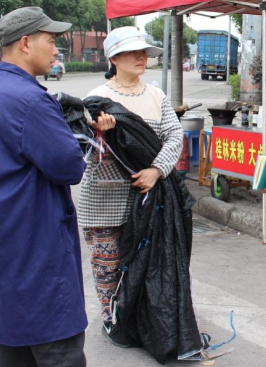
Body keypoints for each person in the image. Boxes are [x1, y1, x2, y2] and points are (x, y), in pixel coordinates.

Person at [0, 6, 87, 366]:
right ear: (25, 43)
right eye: (51, 41)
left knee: (13, 349)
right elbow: (69, 166)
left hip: (6, 254)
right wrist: (77, 134)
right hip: (39, 259)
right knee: (58, 351)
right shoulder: (28, 100)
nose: (57, 50)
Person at [78, 26, 184, 348]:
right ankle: (114, 322)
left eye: (144, 52)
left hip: (147, 197)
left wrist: (156, 169)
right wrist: (99, 135)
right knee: (108, 265)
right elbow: (81, 151)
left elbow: (174, 136)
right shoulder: (96, 100)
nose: (141, 58)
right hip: (104, 200)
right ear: (114, 58)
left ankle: (139, 319)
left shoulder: (156, 96)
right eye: (132, 52)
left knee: (145, 263)